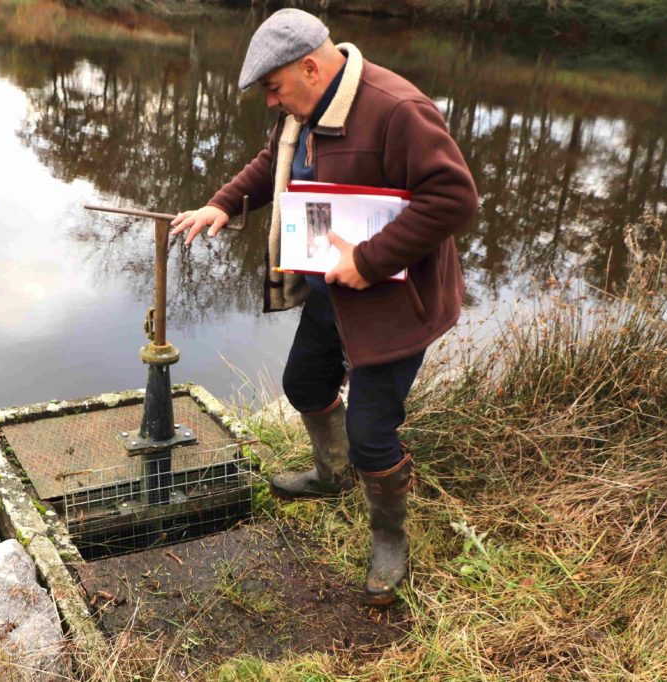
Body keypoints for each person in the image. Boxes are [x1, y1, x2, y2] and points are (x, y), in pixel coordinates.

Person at [171, 9, 477, 605]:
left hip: (395, 301)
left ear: (311, 66)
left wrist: (368, 259)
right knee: (304, 381)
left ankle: (390, 537)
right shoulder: (304, 110)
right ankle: (334, 476)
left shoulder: (396, 109)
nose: (271, 102)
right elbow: (274, 166)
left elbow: (454, 197)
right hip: (332, 289)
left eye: (273, 88)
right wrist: (224, 204)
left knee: (373, 433)